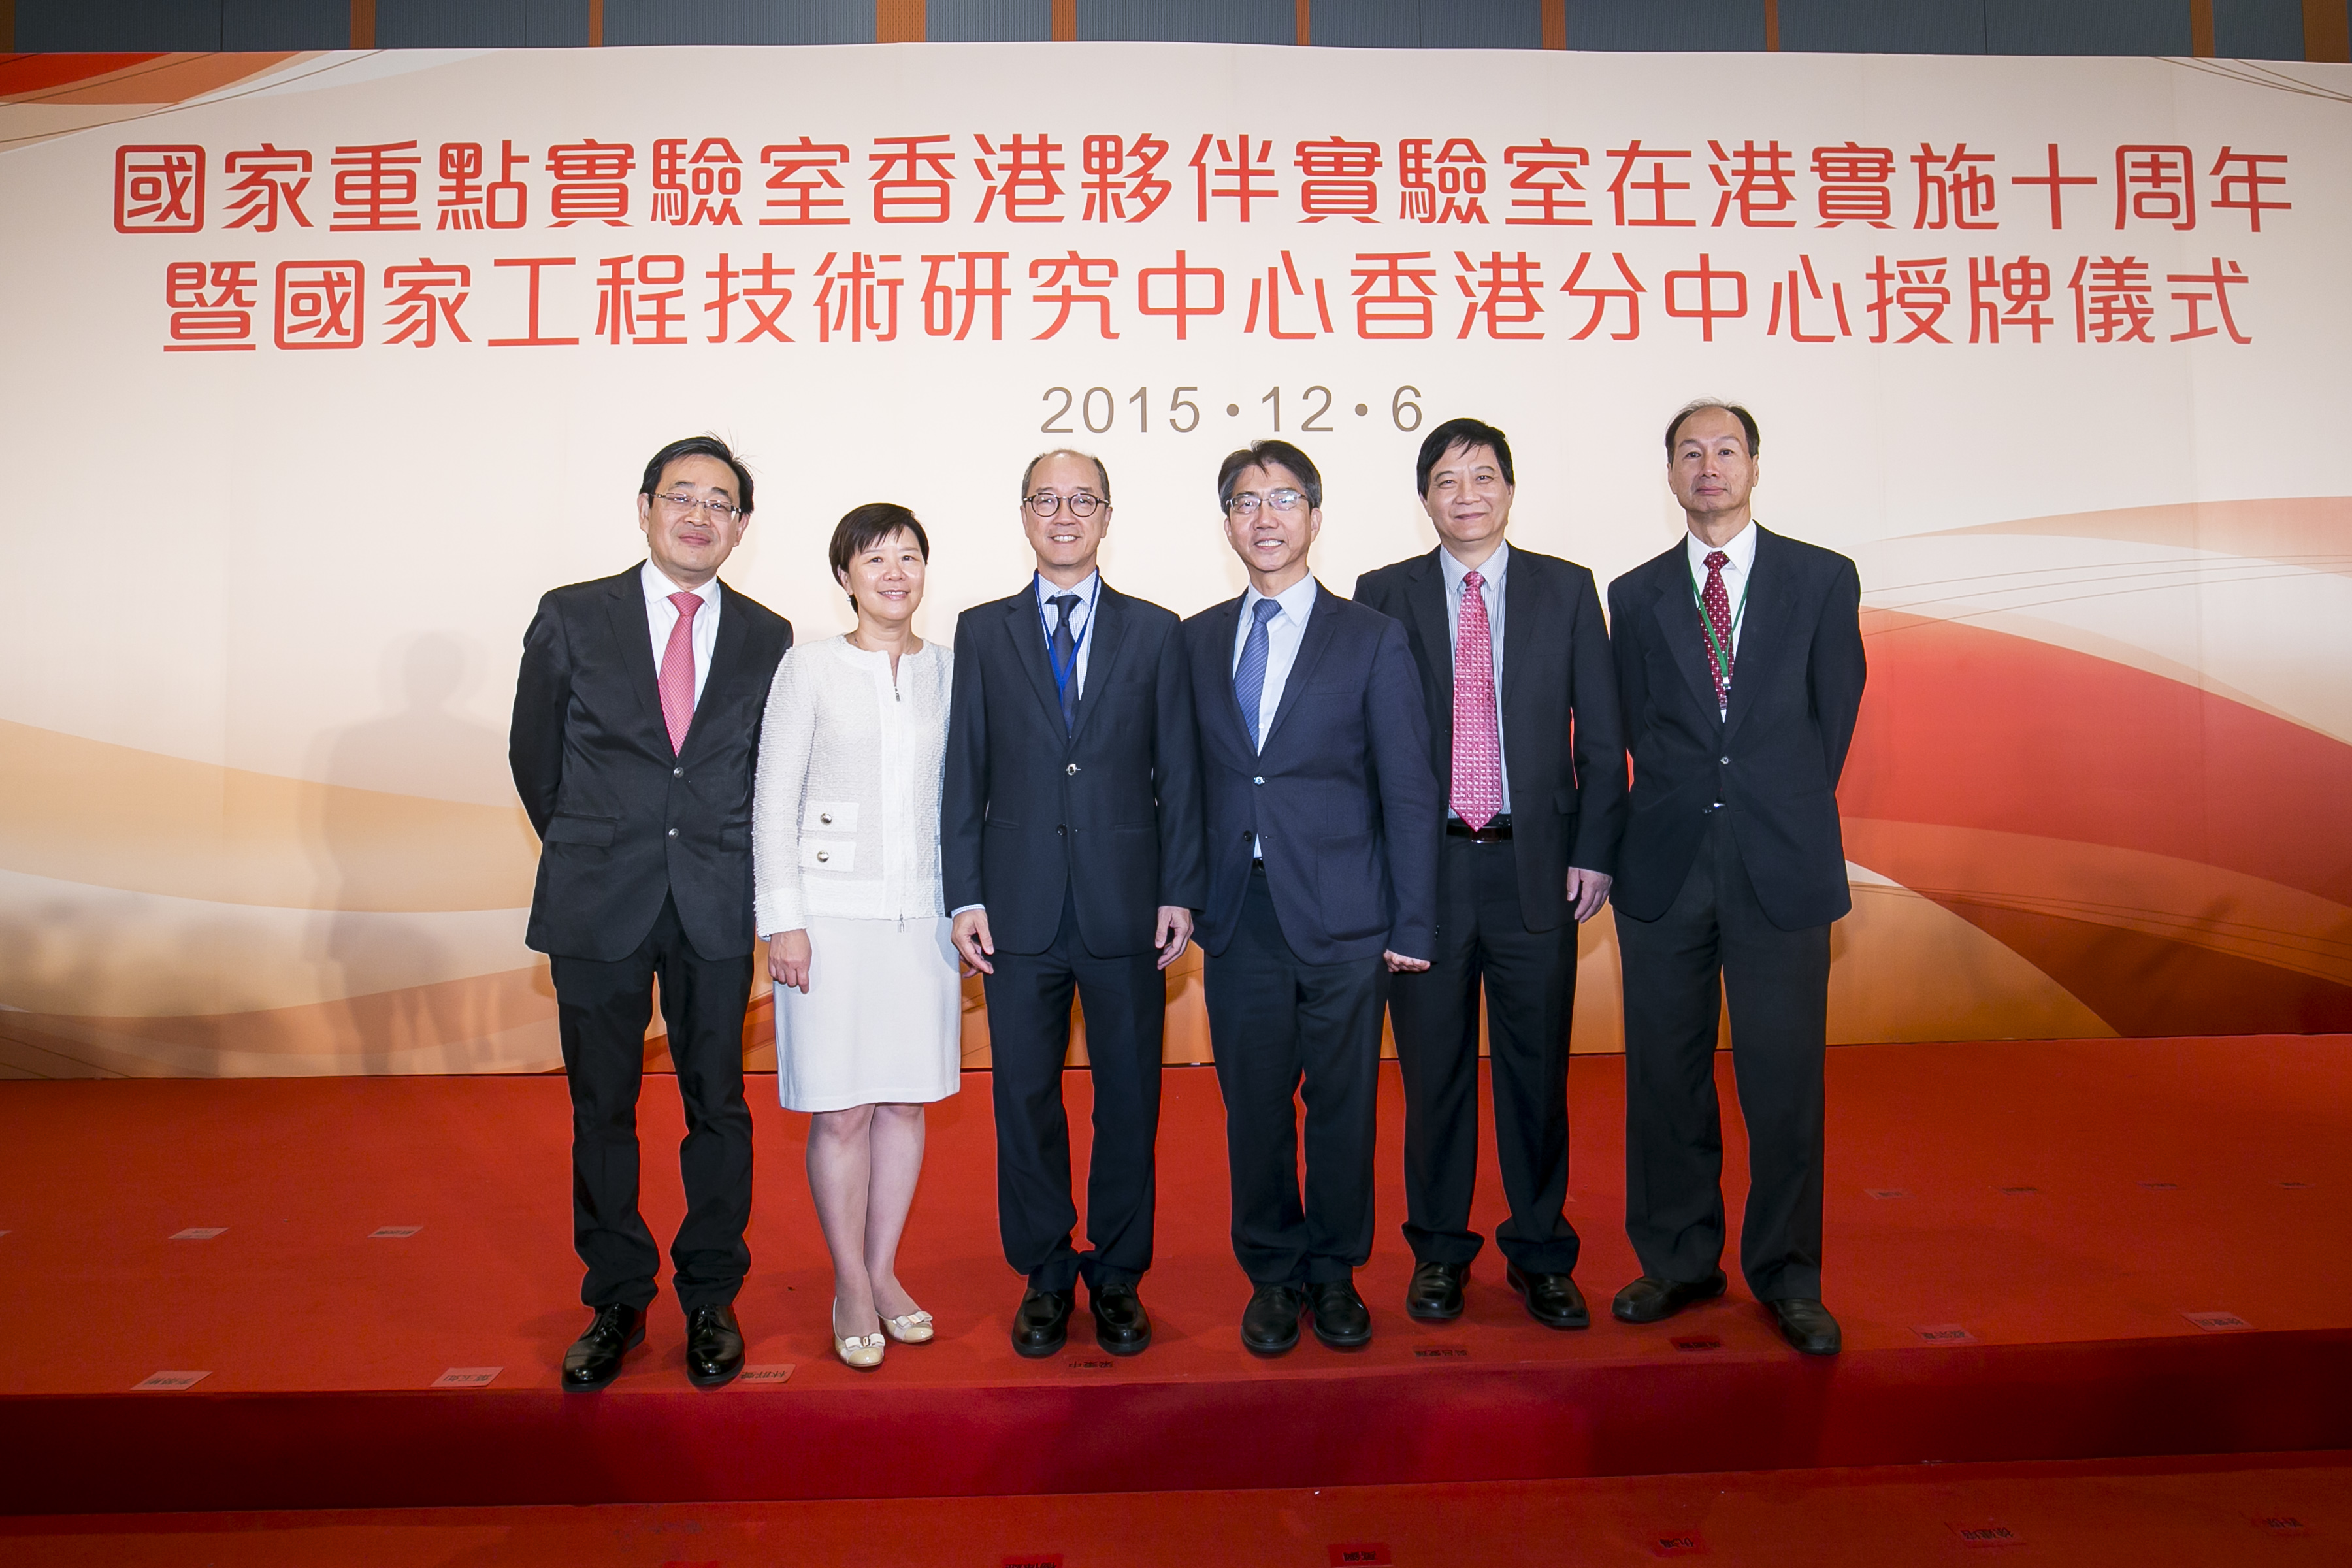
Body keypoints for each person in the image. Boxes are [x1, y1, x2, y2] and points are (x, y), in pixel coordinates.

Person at [510, 434, 792, 1392]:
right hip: (599, 900)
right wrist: (599, 841)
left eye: (721, 502)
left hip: (714, 900)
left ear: (742, 526)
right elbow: (534, 758)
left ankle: (712, 1295)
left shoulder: (768, 634)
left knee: (719, 1107)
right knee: (604, 1109)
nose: (700, 514)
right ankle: (618, 1297)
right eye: (683, 495)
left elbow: (769, 772)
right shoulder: (572, 615)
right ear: (645, 507)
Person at [1605, 400, 1866, 1356]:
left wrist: (1772, 804)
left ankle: (1789, 1274)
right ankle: (1678, 1259)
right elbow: (1632, 726)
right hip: (1667, 863)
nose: (1708, 468)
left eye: (1725, 451)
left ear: (1755, 465)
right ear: (1669, 473)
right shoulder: (1634, 596)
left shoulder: (1819, 579)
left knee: (1783, 1081)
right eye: (1689, 453)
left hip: (1779, 861)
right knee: (1665, 1077)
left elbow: (1830, 716)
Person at [1352, 418, 1625, 1331]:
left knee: (1535, 1075)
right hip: (1425, 876)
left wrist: (1592, 849)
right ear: (1423, 497)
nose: (1465, 495)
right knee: (1432, 1078)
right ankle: (1438, 1252)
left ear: (1510, 489)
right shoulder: (1380, 595)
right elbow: (1362, 749)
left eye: (1482, 477)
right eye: (1445, 480)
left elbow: (1605, 735)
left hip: (1534, 870)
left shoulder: (1566, 590)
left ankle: (1542, 1252)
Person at [1180, 439, 1441, 1357]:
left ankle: (1334, 1274)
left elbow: (1409, 786)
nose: (1266, 516)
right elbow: (1181, 783)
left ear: (1315, 518)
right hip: (1238, 911)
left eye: (1285, 499)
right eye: (1247, 501)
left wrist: (1414, 919)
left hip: (1344, 912)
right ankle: (1273, 1274)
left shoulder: (1370, 636)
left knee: (1340, 1103)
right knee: (1252, 1105)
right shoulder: (1198, 637)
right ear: (1227, 523)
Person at [945, 450, 1204, 1359]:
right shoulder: (981, 632)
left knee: (1129, 1097)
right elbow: (962, 776)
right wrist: (963, 893)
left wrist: (1180, 888)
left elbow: (1180, 773)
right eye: (1047, 500)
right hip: (1015, 911)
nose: (1065, 514)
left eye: (1082, 499)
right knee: (1023, 1097)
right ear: (1023, 515)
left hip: (1127, 906)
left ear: (1106, 515)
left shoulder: (1156, 631)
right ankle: (1047, 1273)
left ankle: (1121, 1275)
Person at [753, 504, 961, 1371]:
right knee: (842, 1110)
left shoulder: (954, 670)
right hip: (828, 922)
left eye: (909, 557)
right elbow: (772, 799)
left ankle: (884, 1271)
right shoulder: (808, 668)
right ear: (845, 574)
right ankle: (847, 1281)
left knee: (905, 1102)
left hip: (926, 919)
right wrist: (783, 922)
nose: (894, 573)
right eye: (875, 559)